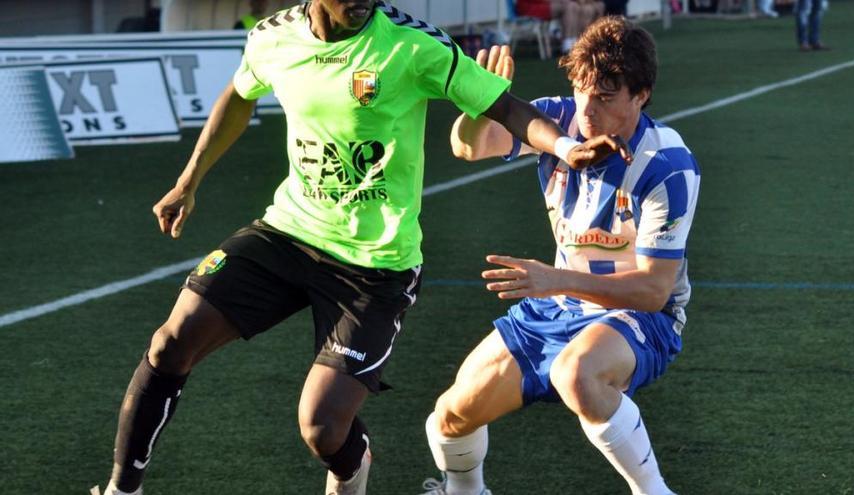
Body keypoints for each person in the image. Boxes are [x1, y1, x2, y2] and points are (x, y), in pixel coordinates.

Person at [91, 1, 626, 495]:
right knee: (170, 343)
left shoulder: (413, 46)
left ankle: (354, 462)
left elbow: (505, 107)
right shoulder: (273, 38)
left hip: (375, 265)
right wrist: (189, 180)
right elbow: (238, 94)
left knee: (321, 427)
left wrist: (564, 146)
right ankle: (122, 489)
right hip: (289, 231)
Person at [420, 16, 700, 495]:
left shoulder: (668, 166)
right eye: (580, 90)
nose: (586, 109)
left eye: (605, 97)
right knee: (450, 417)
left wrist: (556, 281)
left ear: (641, 95)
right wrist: (481, 103)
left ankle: (654, 491)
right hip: (560, 304)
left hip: (638, 316)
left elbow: (654, 292)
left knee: (577, 374)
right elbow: (467, 146)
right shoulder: (559, 120)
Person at [516, 0, 605, 53]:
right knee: (570, 6)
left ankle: (580, 41)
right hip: (531, 7)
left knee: (578, 6)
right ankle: (568, 44)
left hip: (543, 4)